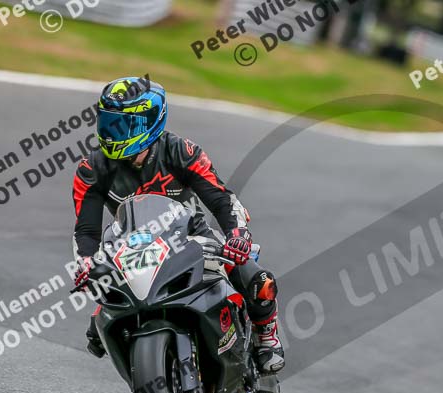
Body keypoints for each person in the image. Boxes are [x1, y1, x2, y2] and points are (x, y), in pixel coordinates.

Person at [72, 76, 284, 374]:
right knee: (98, 327)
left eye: (125, 124)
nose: (113, 133)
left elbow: (221, 199)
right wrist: (85, 262)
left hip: (192, 237)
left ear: (151, 122)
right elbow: (86, 231)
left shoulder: (181, 151)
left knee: (258, 280)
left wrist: (237, 235)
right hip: (130, 248)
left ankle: (266, 336)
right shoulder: (91, 168)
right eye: (109, 122)